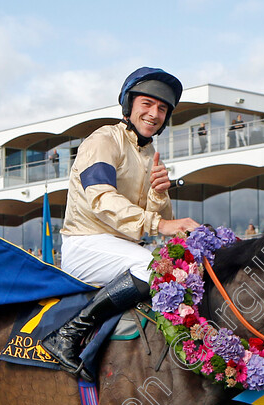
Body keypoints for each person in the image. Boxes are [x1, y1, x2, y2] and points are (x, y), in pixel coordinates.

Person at [45, 67, 200, 380]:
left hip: (120, 249)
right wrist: (159, 224)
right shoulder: (103, 140)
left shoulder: (151, 154)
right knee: (153, 268)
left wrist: (158, 195)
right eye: (147, 104)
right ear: (129, 106)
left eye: (162, 109)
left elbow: (160, 218)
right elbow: (100, 199)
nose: (154, 114)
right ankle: (67, 335)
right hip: (86, 243)